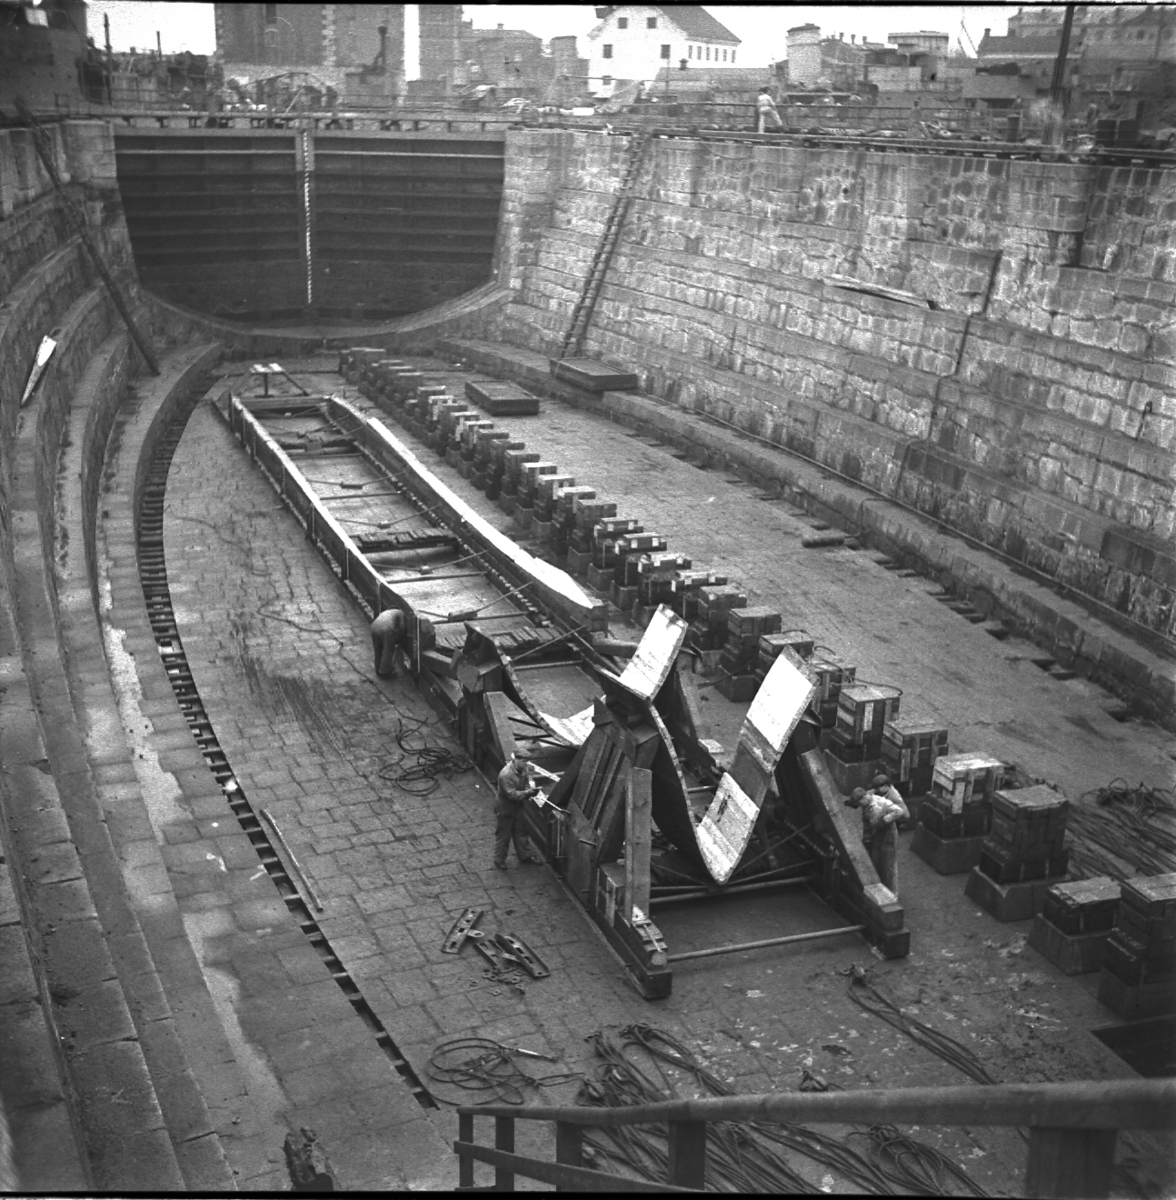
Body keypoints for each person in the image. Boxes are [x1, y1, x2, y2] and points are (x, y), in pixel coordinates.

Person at [846, 773, 909, 895]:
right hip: (876, 834)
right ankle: (880, 888)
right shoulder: (867, 802)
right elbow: (866, 821)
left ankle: (892, 893)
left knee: (888, 863)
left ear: (864, 798)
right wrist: (867, 838)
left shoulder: (883, 802)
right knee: (876, 860)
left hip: (887, 835)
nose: (859, 806)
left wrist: (885, 820)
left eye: (859, 803)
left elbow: (900, 812)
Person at [495, 751, 542, 869]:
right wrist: (528, 793)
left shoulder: (523, 769)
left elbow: (526, 783)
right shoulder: (506, 775)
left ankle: (525, 856)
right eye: (524, 761)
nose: (526, 764)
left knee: (521, 832)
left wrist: (530, 791)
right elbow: (511, 795)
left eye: (527, 761)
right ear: (516, 760)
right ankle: (499, 860)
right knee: (504, 835)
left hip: (518, 806)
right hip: (505, 808)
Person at [370, 605, 406, 678]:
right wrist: (400, 638)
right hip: (386, 629)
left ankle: (378, 668)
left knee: (378, 649)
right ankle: (384, 672)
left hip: (374, 626)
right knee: (388, 650)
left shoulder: (386, 612)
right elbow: (402, 627)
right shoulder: (401, 613)